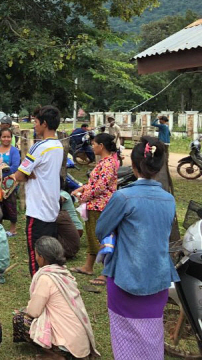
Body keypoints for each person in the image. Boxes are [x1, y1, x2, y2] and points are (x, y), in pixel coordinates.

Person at [95, 136, 178, 359]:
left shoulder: (123, 196)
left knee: (124, 338)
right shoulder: (168, 199)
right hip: (158, 280)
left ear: (133, 166)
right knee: (152, 337)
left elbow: (101, 229)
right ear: (159, 166)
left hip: (125, 278)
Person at [13, 237, 99, 360]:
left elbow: (33, 312)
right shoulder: (64, 274)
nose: (36, 258)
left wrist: (25, 310)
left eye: (36, 254)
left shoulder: (46, 278)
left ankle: (54, 354)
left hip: (66, 346)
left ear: (42, 257)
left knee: (20, 318)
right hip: (80, 345)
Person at [11, 105, 63, 277]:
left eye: (36, 122)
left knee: (36, 257)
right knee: (50, 256)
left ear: (44, 123)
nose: (34, 126)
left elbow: (19, 174)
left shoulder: (39, 147)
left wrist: (24, 173)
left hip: (37, 211)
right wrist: (27, 173)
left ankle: (37, 294)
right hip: (51, 209)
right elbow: (29, 172)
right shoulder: (58, 146)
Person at [71, 133, 118, 286]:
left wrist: (83, 196)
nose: (92, 146)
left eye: (94, 144)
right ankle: (88, 266)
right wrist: (81, 188)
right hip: (95, 205)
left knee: (101, 239)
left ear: (101, 146)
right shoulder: (105, 162)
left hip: (100, 206)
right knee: (92, 236)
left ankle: (106, 273)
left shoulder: (108, 164)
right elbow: (94, 184)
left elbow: (99, 187)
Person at [0, 128, 20, 236]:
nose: (6, 139)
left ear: (12, 138)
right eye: (4, 137)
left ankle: (13, 229)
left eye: (8, 137)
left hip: (8, 183)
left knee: (10, 205)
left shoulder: (14, 151)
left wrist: (1, 176)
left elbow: (15, 166)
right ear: (0, 138)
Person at [55, 190, 81, 260]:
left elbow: (60, 199)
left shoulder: (63, 194)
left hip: (77, 230)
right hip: (71, 247)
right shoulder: (63, 214)